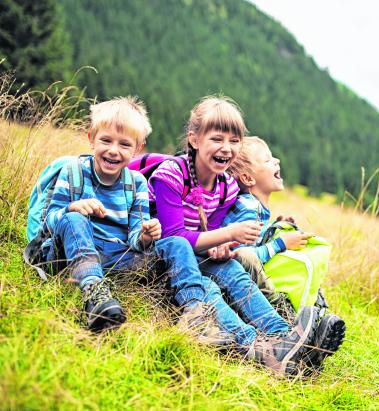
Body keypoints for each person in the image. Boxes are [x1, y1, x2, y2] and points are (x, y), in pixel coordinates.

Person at [40, 97, 235, 350]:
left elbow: (135, 237)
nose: (114, 150)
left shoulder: (136, 183)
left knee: (175, 242)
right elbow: (50, 222)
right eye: (106, 140)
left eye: (124, 144)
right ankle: (94, 293)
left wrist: (145, 236)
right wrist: (72, 207)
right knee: (74, 219)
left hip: (116, 257)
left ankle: (195, 313)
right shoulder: (74, 171)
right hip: (72, 254)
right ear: (91, 138)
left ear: (137, 148)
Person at [148, 95, 319, 376]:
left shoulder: (226, 185)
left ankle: (285, 338)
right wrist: (227, 234)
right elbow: (173, 237)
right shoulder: (171, 174)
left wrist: (221, 246)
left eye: (234, 141)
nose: (226, 148)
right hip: (161, 259)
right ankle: (256, 348)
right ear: (194, 139)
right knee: (209, 287)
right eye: (217, 139)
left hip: (193, 255)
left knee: (231, 268)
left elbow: (208, 234)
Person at [223, 136, 346, 372]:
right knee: (270, 283)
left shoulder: (255, 207)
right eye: (268, 159)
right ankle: (297, 329)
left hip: (244, 281)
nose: (277, 160)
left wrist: (274, 226)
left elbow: (254, 238)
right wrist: (281, 244)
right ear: (248, 178)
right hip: (239, 282)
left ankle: (308, 343)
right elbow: (241, 254)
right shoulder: (247, 207)